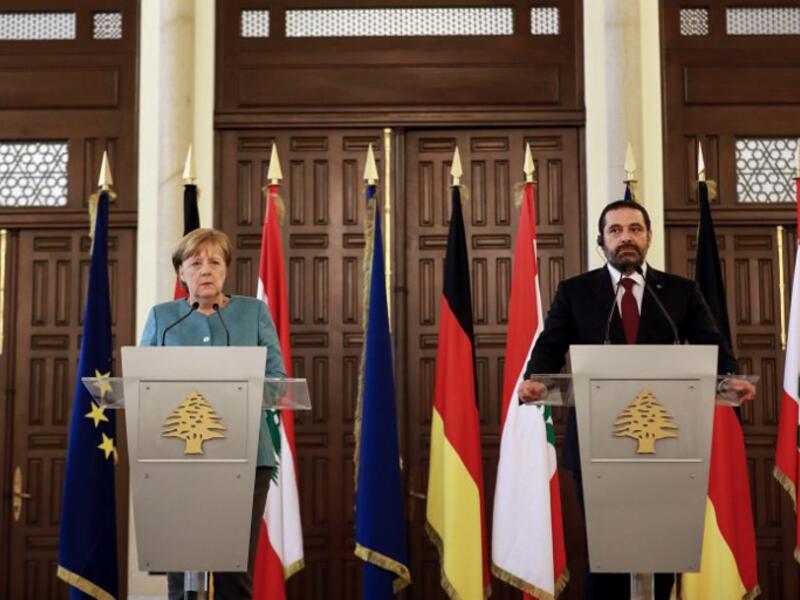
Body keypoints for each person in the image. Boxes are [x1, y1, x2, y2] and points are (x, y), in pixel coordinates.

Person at [518, 199, 755, 600]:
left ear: (648, 237)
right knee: (605, 558)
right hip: (597, 447)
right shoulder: (576, 292)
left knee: (661, 556)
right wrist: (535, 380)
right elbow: (550, 345)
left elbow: (711, 342)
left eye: (635, 229)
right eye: (615, 230)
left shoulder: (679, 292)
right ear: (601, 240)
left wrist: (728, 379)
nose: (626, 237)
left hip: (666, 446)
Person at [140, 228, 286, 600]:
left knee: (234, 574)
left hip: (246, 456)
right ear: (181, 273)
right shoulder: (163, 318)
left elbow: (278, 381)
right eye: (195, 262)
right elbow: (140, 382)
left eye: (214, 262)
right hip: (175, 459)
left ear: (225, 271)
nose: (205, 270)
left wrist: (242, 386)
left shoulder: (252, 314)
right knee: (181, 573)